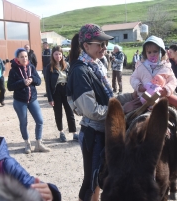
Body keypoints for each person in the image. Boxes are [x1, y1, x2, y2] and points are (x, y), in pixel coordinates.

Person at [66, 23, 114, 201]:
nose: (104, 48)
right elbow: (91, 110)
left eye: (105, 44)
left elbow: (107, 97)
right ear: (86, 46)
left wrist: (130, 98)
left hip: (102, 129)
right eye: (100, 44)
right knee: (91, 180)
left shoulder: (95, 64)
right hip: (93, 133)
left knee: (99, 177)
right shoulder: (80, 71)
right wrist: (118, 110)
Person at [130, 35, 177, 134]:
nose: (152, 54)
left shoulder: (165, 66)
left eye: (155, 51)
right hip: (145, 96)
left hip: (163, 95)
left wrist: (166, 89)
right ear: (145, 53)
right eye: (149, 52)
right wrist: (139, 86)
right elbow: (133, 78)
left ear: (161, 52)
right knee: (128, 109)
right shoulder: (141, 66)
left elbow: (173, 80)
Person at [7, 48, 50, 154]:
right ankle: (27, 144)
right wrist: (22, 82)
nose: (24, 58)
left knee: (40, 120)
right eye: (22, 57)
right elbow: (10, 86)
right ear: (17, 58)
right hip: (20, 101)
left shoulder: (31, 67)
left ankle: (39, 144)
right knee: (24, 123)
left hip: (33, 99)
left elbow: (39, 81)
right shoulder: (13, 70)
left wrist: (32, 80)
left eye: (26, 56)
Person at [45, 46, 78, 142]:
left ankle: (74, 132)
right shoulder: (49, 67)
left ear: (62, 55)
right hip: (56, 91)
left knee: (70, 112)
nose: (58, 56)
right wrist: (50, 98)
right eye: (56, 54)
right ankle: (61, 132)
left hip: (66, 90)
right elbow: (47, 84)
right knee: (58, 113)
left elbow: (71, 80)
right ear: (52, 55)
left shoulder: (67, 65)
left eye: (59, 54)